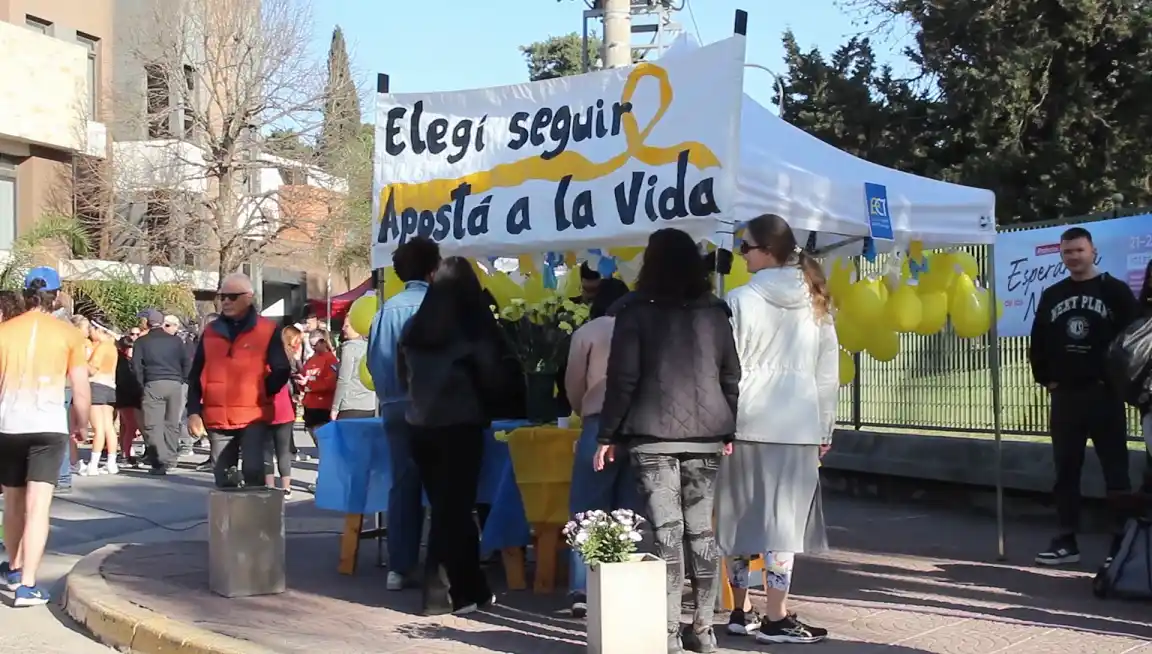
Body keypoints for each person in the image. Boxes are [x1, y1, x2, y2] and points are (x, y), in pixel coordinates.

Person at [595, 228, 740, 653]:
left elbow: (622, 379)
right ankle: (704, 629)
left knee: (667, 532)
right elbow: (731, 374)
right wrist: (727, 426)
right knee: (701, 531)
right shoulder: (716, 311)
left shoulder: (633, 310)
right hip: (708, 434)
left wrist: (608, 434)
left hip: (651, 433)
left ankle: (667, 634)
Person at [716, 214, 837, 645]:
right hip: (798, 421)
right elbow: (828, 371)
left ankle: (740, 608)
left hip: (746, 418)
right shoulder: (816, 300)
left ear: (767, 250)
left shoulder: (738, 299)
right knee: (782, 525)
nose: (740, 253)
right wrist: (825, 426)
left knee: (739, 518)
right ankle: (776, 613)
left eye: (745, 246)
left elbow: (725, 367)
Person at [398, 256, 506, 616]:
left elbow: (403, 378)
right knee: (454, 511)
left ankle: (469, 587)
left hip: (419, 424)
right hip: (460, 424)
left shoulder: (415, 328)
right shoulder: (474, 328)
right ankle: (445, 592)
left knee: (448, 510)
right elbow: (495, 379)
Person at [1029, 226, 1141, 566]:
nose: (1073, 257)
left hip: (1104, 396)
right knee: (1066, 470)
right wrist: (1047, 380)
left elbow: (1136, 339)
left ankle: (1120, 547)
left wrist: (1123, 384)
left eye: (1079, 250)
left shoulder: (1115, 291)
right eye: (1067, 252)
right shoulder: (1052, 294)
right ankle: (1066, 540)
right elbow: (1039, 342)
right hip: (1067, 397)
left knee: (1116, 472)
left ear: (1093, 251)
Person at [0, 267, 91, 606]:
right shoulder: (69, 335)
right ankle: (27, 585)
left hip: (8, 424)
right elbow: (80, 390)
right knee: (39, 507)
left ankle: (13, 567)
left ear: (26, 295)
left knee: (12, 502)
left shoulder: (5, 332)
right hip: (48, 427)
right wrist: (81, 425)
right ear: (56, 296)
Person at [366, 236, 441, 592]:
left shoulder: (386, 311)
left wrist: (390, 395)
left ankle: (400, 565)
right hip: (435, 408)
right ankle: (442, 567)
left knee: (403, 486)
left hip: (395, 406)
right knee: (445, 486)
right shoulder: (439, 307)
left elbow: (375, 362)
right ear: (433, 268)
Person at [563, 277, 638, 618]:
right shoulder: (643, 329)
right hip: (637, 427)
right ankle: (624, 582)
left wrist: (584, 410)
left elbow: (573, 385)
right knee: (629, 510)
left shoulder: (588, 333)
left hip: (597, 421)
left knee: (588, 509)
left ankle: (583, 587)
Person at [187, 273, 291, 488]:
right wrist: (193, 411)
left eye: (233, 297)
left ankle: (254, 520)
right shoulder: (210, 332)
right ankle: (228, 522)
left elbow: (282, 369)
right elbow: (196, 373)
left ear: (249, 297)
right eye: (223, 296)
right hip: (217, 417)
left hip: (253, 415)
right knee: (224, 477)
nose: (225, 301)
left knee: (253, 471)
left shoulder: (267, 329)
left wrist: (262, 391)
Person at [133, 310, 191, 475]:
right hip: (175, 383)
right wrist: (183, 380)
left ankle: (159, 461)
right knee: (172, 422)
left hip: (153, 382)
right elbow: (186, 362)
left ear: (147, 323)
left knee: (153, 425)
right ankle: (172, 458)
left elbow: (136, 367)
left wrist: (142, 384)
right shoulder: (176, 341)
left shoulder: (142, 342)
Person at [85, 324, 120, 475]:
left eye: (91, 330)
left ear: (100, 330)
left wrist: (80, 360)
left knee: (98, 427)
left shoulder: (102, 347)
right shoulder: (113, 348)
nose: (90, 333)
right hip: (110, 386)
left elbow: (92, 369)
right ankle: (111, 463)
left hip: (97, 385)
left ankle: (93, 464)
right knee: (108, 427)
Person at [266, 332, 297, 497]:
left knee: (267, 450)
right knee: (283, 451)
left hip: (266, 410)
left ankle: (270, 486)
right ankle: (287, 487)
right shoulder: (284, 358)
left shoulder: (262, 361)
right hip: (285, 410)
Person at [300, 332, 338, 448]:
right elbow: (304, 376)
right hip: (309, 404)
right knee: (314, 434)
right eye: (311, 345)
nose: (313, 348)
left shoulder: (331, 359)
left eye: (315, 344)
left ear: (323, 342)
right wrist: (301, 383)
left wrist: (310, 386)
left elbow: (330, 383)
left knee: (323, 438)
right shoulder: (311, 359)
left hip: (323, 404)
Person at [331, 319, 375, 420]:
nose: (343, 329)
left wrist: (335, 407)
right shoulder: (370, 346)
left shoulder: (350, 348)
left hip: (351, 405)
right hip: (370, 405)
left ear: (357, 327)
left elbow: (344, 380)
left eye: (346, 326)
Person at [114, 336, 144, 468]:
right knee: (130, 426)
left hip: (133, 397)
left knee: (129, 426)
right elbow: (125, 380)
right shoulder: (122, 362)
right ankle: (126, 454)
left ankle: (127, 452)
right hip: (126, 396)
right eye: (129, 348)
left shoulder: (130, 361)